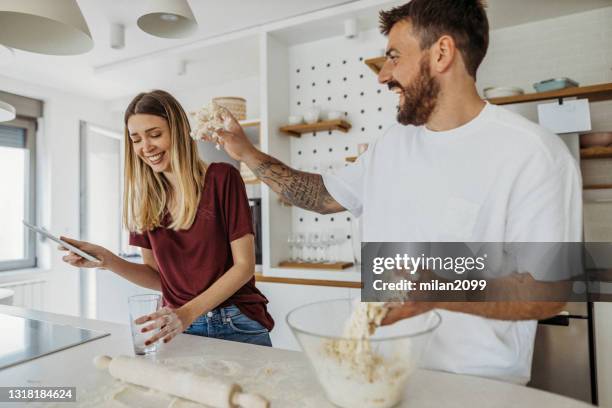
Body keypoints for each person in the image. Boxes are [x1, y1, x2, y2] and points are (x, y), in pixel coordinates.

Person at [199, 0, 581, 383]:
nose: (383, 76)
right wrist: (245, 151)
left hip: (474, 385)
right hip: (377, 371)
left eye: (394, 57)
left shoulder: (532, 153)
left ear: (442, 53)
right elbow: (321, 196)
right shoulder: (392, 144)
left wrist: (438, 289)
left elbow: (548, 289)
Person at [60, 90, 273, 347]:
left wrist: (186, 313)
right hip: (178, 325)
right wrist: (107, 259)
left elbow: (243, 267)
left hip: (233, 321)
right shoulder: (146, 199)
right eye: (136, 139)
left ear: (180, 131)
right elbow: (156, 276)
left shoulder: (222, 178)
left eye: (155, 134)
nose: (145, 147)